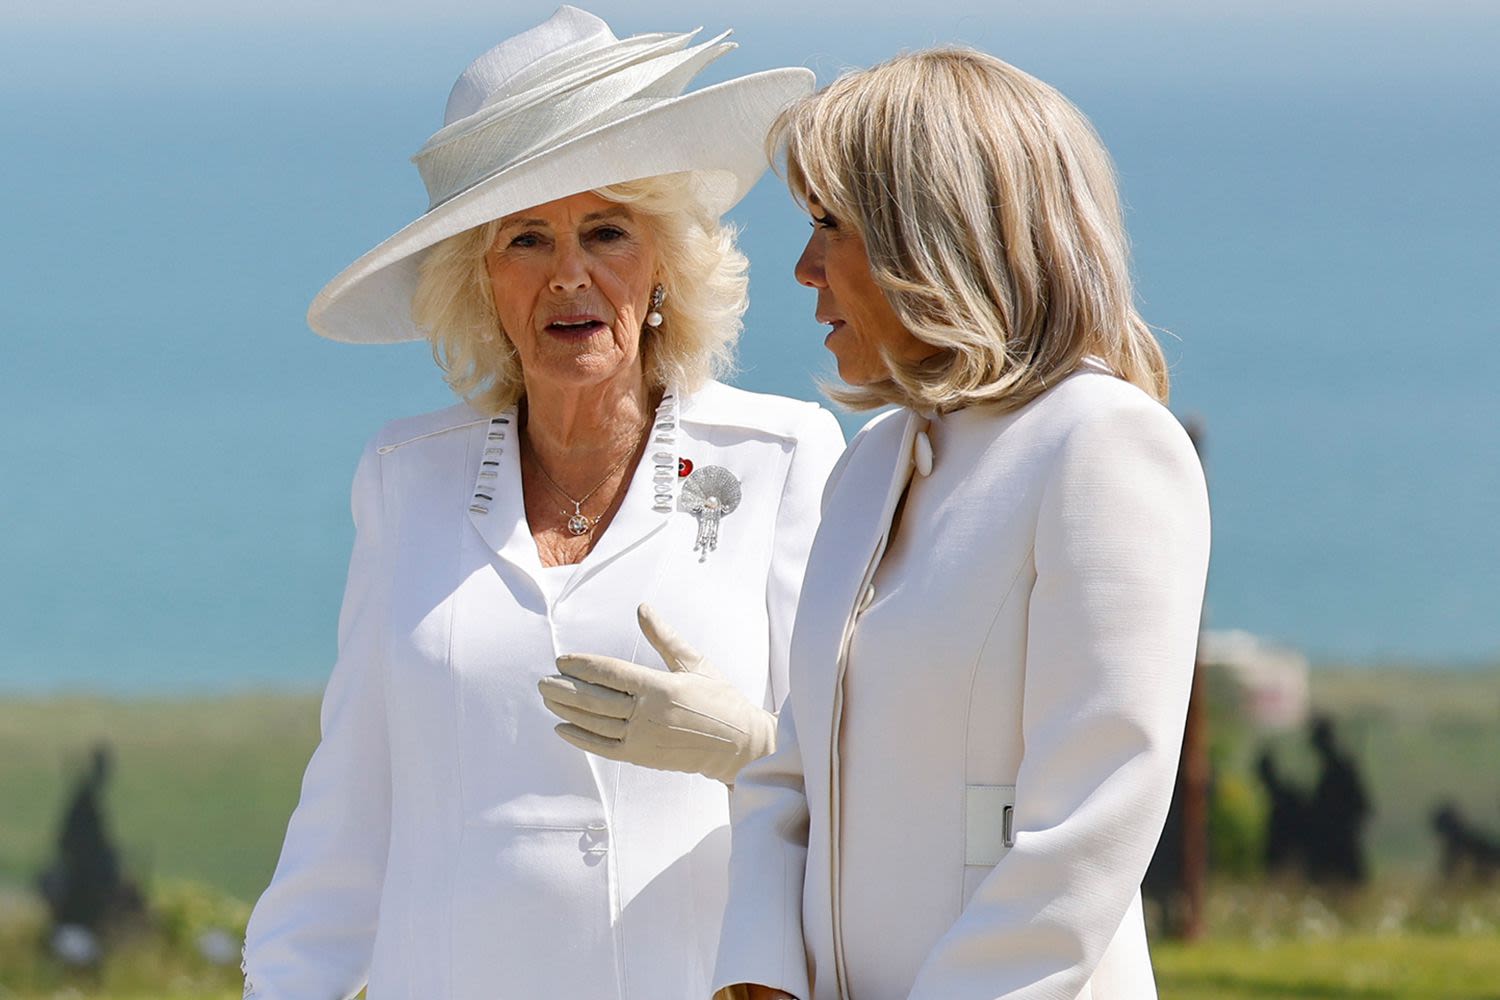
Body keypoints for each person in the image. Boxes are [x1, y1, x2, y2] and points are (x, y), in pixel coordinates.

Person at [241, 8, 844, 999]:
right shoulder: (404, 479)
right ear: (479, 279)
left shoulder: (779, 460)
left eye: (606, 231)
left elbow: (848, 789)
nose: (570, 273)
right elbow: (345, 830)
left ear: (661, 265)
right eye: (528, 236)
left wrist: (742, 745)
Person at [712, 49, 1211, 1000]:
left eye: (829, 225)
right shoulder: (868, 466)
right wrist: (760, 975)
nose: (803, 268)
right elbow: (789, 771)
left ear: (931, 236)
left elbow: (1090, 824)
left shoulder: (1102, 446)